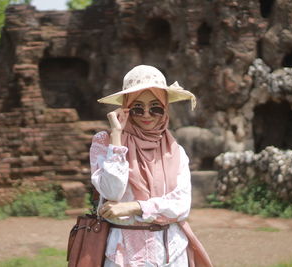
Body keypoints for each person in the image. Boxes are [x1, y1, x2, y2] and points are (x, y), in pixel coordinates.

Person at [89, 65, 212, 267]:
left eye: (155, 107)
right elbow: (112, 192)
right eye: (137, 108)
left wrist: (135, 207)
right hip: (123, 255)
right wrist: (117, 137)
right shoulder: (105, 143)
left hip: (171, 252)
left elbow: (181, 205)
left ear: (165, 109)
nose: (147, 115)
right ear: (125, 108)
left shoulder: (175, 151)